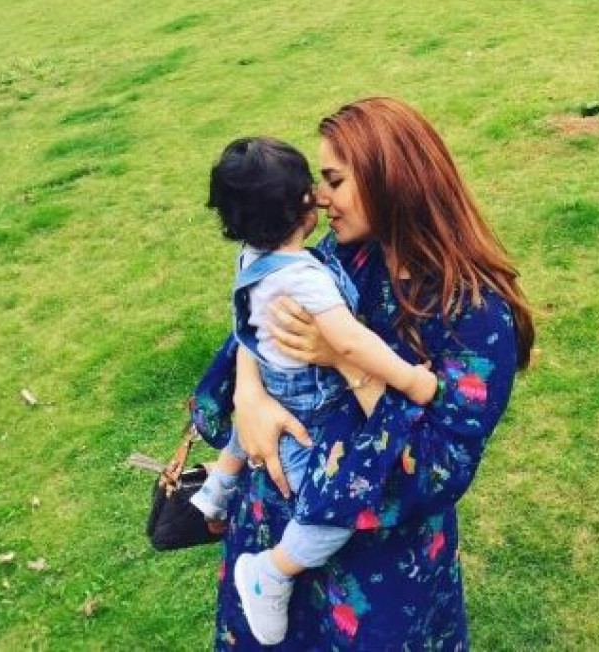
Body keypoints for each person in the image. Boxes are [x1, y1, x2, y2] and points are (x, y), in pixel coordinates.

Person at [213, 97, 535, 650]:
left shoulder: (475, 316)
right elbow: (264, 308)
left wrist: (347, 361)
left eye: (334, 181)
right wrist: (249, 395)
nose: (318, 198)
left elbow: (437, 469)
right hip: (273, 531)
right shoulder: (349, 253)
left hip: (376, 566)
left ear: (391, 181)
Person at [192, 136, 437, 645]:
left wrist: (252, 388)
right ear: (298, 208)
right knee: (334, 505)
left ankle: (217, 490)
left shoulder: (252, 257)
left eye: (333, 181)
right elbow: (348, 341)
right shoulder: (307, 274)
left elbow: (249, 329)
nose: (323, 198)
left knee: (246, 441)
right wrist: (412, 379)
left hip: (277, 388)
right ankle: (271, 572)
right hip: (307, 414)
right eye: (316, 185)